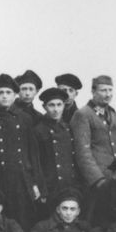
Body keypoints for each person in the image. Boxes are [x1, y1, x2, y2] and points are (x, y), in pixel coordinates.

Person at [0, 74, 42, 232]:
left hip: (21, 180)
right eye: (1, 93)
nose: (4, 96)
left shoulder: (25, 119)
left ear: (15, 95)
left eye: (8, 93)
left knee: (23, 221)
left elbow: (32, 154)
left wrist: (36, 183)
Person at [33, 87, 83, 217]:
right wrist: (42, 188)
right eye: (51, 105)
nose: (56, 109)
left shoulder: (67, 128)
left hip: (70, 184)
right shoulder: (38, 130)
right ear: (44, 107)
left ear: (64, 106)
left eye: (59, 105)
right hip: (51, 186)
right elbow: (36, 163)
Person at [71, 75, 116, 189]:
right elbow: (83, 153)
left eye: (110, 90)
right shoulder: (83, 114)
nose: (108, 94)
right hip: (96, 182)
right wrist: (98, 180)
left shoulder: (112, 114)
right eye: (103, 90)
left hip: (115, 178)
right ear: (93, 91)